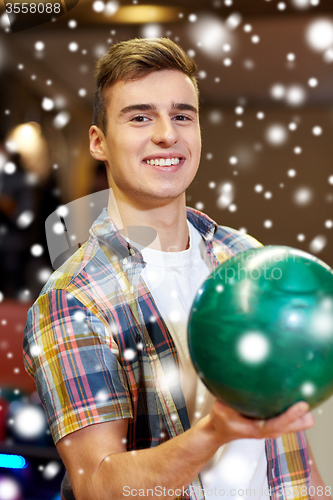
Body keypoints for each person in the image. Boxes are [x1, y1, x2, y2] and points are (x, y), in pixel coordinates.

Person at [23, 38, 328, 500]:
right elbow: (99, 487)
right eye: (140, 116)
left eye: (182, 115)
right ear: (99, 142)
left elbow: (292, 458)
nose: (167, 134)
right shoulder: (73, 299)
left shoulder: (246, 258)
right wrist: (215, 432)